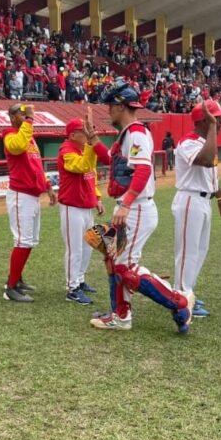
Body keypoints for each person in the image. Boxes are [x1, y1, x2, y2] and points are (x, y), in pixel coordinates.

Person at [90, 82, 158, 330]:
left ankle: (175, 301)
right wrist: (93, 139)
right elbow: (112, 160)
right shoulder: (129, 133)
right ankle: (118, 311)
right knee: (112, 257)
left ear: (121, 106)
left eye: (111, 105)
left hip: (136, 207)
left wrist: (126, 204)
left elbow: (143, 170)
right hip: (130, 206)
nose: (108, 109)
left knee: (123, 265)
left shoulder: (137, 133)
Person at [171, 100, 221, 319]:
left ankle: (187, 292)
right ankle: (181, 297)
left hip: (203, 201)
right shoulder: (188, 142)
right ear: (204, 120)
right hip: (190, 199)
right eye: (217, 118)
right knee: (188, 252)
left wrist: (220, 196)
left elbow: (210, 175)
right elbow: (206, 161)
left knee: (200, 250)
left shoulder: (205, 142)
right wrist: (213, 128)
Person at [85, 223, 194, 334]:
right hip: (129, 215)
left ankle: (179, 301)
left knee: (125, 269)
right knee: (115, 263)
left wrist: (123, 212)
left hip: (135, 214)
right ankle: (120, 315)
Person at [2, 103, 57, 303]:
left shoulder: (29, 136)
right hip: (20, 194)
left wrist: (48, 186)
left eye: (27, 114)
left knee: (30, 240)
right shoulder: (10, 134)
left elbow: (36, 166)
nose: (26, 116)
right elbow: (17, 146)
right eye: (22, 114)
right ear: (12, 116)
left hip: (32, 195)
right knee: (22, 241)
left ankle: (16, 279)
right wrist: (30, 120)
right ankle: (10, 288)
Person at [57, 111, 109, 304]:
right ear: (72, 135)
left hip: (86, 206)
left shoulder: (82, 149)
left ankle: (79, 279)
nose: (87, 134)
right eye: (83, 131)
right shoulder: (67, 150)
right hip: (72, 206)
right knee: (75, 248)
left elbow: (90, 176)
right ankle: (72, 288)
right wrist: (90, 145)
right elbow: (82, 167)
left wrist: (97, 198)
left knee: (88, 246)